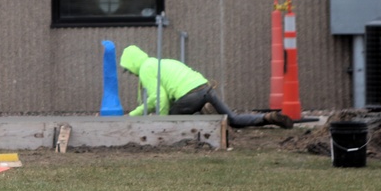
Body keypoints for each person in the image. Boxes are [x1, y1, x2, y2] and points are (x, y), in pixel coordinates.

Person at [119, 45, 294, 129]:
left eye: (128, 70)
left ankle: (202, 119)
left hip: (189, 94)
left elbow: (159, 99)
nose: (131, 74)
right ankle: (269, 117)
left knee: (172, 120)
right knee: (232, 119)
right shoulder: (158, 62)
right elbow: (158, 99)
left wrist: (160, 125)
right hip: (204, 87)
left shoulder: (146, 68)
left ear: (133, 63)